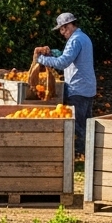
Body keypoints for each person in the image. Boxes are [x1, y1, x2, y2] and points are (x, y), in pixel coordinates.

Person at [34, 13, 96, 156]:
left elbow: (63, 63)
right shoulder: (84, 38)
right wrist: (55, 53)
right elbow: (69, 57)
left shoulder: (75, 40)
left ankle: (80, 154)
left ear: (69, 26)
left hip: (77, 88)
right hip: (87, 88)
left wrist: (41, 59)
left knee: (77, 125)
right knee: (85, 124)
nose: (62, 33)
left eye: (62, 29)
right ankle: (87, 153)